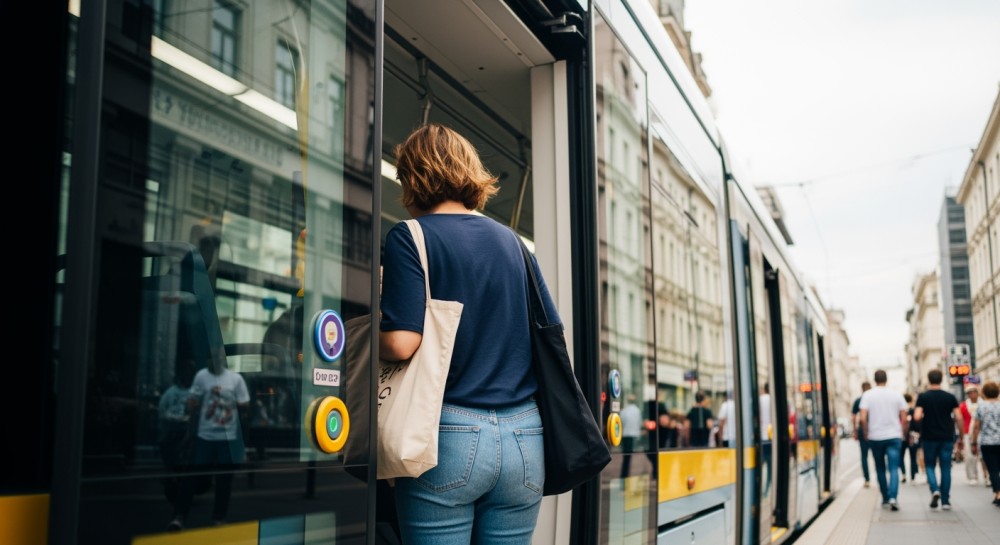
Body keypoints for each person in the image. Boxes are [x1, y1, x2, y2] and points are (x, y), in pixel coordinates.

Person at [380, 123, 555, 544]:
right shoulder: (515, 245)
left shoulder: (411, 237)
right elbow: (548, 333)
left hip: (449, 434)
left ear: (413, 178)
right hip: (526, 439)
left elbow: (403, 342)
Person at [168, 357, 250, 530]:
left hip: (226, 438)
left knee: (224, 481)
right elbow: (193, 401)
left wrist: (231, 404)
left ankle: (218, 519)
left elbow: (245, 404)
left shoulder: (235, 379)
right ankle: (179, 517)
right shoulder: (201, 376)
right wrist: (193, 405)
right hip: (204, 437)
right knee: (190, 478)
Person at [914, 369, 965, 511]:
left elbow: (917, 416)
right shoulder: (949, 397)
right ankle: (945, 501)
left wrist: (925, 417)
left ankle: (934, 489)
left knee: (929, 465)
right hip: (946, 436)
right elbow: (959, 417)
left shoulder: (923, 397)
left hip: (929, 436)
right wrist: (960, 435)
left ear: (929, 380)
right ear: (941, 379)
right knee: (945, 467)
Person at [859, 369, 908, 511]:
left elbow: (862, 418)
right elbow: (904, 417)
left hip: (876, 437)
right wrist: (902, 432)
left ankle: (885, 498)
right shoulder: (896, 394)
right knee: (893, 468)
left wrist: (866, 432)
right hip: (894, 436)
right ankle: (893, 497)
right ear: (887, 379)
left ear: (875, 380)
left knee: (880, 468)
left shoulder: (868, 395)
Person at [970, 381, 1000, 506]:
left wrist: (973, 442)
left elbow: (976, 426)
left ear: (983, 393)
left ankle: (998, 493)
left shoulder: (981, 407)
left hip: (987, 442)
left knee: (993, 469)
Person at [852, 381, 873, 488]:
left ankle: (867, 479)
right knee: (877, 456)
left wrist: (854, 430)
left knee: (864, 456)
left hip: (862, 430)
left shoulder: (858, 400)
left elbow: (854, 416)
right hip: (874, 430)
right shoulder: (874, 399)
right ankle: (880, 477)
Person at [960, 385, 983, 485]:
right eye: (969, 393)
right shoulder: (963, 406)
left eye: (973, 392)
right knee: (970, 456)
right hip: (967, 433)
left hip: (982, 432)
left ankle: (987, 475)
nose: (971, 395)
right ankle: (972, 476)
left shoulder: (983, 404)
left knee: (983, 455)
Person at [619, 395, 643, 478]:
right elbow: (639, 423)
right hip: (634, 435)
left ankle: (624, 474)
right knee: (631, 457)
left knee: (626, 457)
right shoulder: (637, 411)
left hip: (625, 435)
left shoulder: (624, 411)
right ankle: (627, 474)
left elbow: (621, 422)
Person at [903, 393, 924, 484]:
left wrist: (905, 434)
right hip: (920, 434)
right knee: (917, 455)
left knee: (913, 456)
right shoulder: (918, 410)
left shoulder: (908, 410)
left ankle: (912, 476)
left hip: (911, 435)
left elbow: (907, 423)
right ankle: (916, 474)